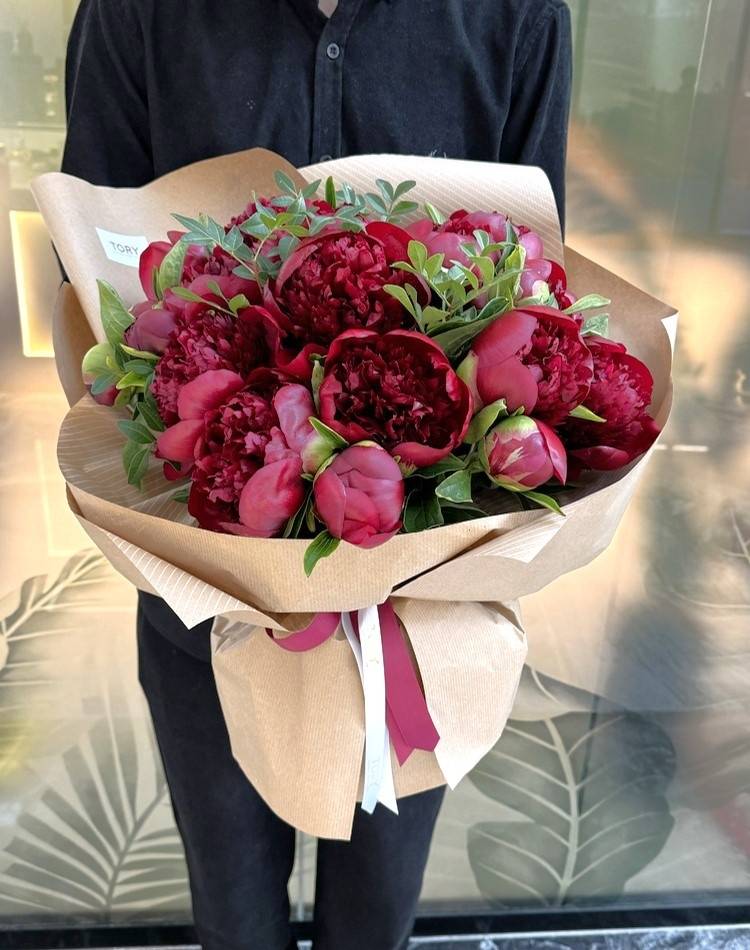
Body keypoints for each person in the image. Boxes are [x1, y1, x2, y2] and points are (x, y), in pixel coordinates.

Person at [61, 2, 572, 948]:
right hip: (210, 585)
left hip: (421, 606)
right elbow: (96, 278)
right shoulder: (136, 15)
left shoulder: (516, 16)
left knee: (375, 922)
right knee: (232, 913)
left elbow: (540, 295)